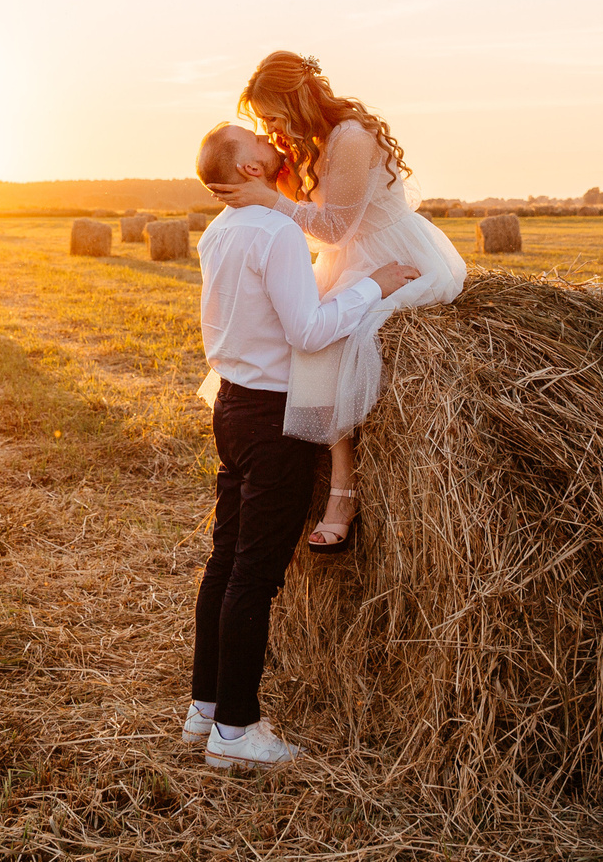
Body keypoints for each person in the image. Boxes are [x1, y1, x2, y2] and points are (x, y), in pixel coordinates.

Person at [185, 120, 421, 771]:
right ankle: (236, 731)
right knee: (254, 577)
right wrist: (375, 285)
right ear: (250, 169)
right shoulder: (277, 232)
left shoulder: (218, 231)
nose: (271, 142)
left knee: (225, 561)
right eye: (256, 141)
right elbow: (309, 330)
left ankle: (205, 706)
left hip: (232, 405)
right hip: (272, 419)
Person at [206, 51, 466, 550]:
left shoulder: (350, 136)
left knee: (331, 350)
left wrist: (269, 199)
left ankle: (342, 495)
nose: (270, 129)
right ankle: (333, 482)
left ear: (295, 100)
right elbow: (310, 219)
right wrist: (270, 176)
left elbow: (333, 227)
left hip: (388, 253)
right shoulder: (311, 144)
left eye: (272, 117)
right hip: (345, 260)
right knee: (307, 346)